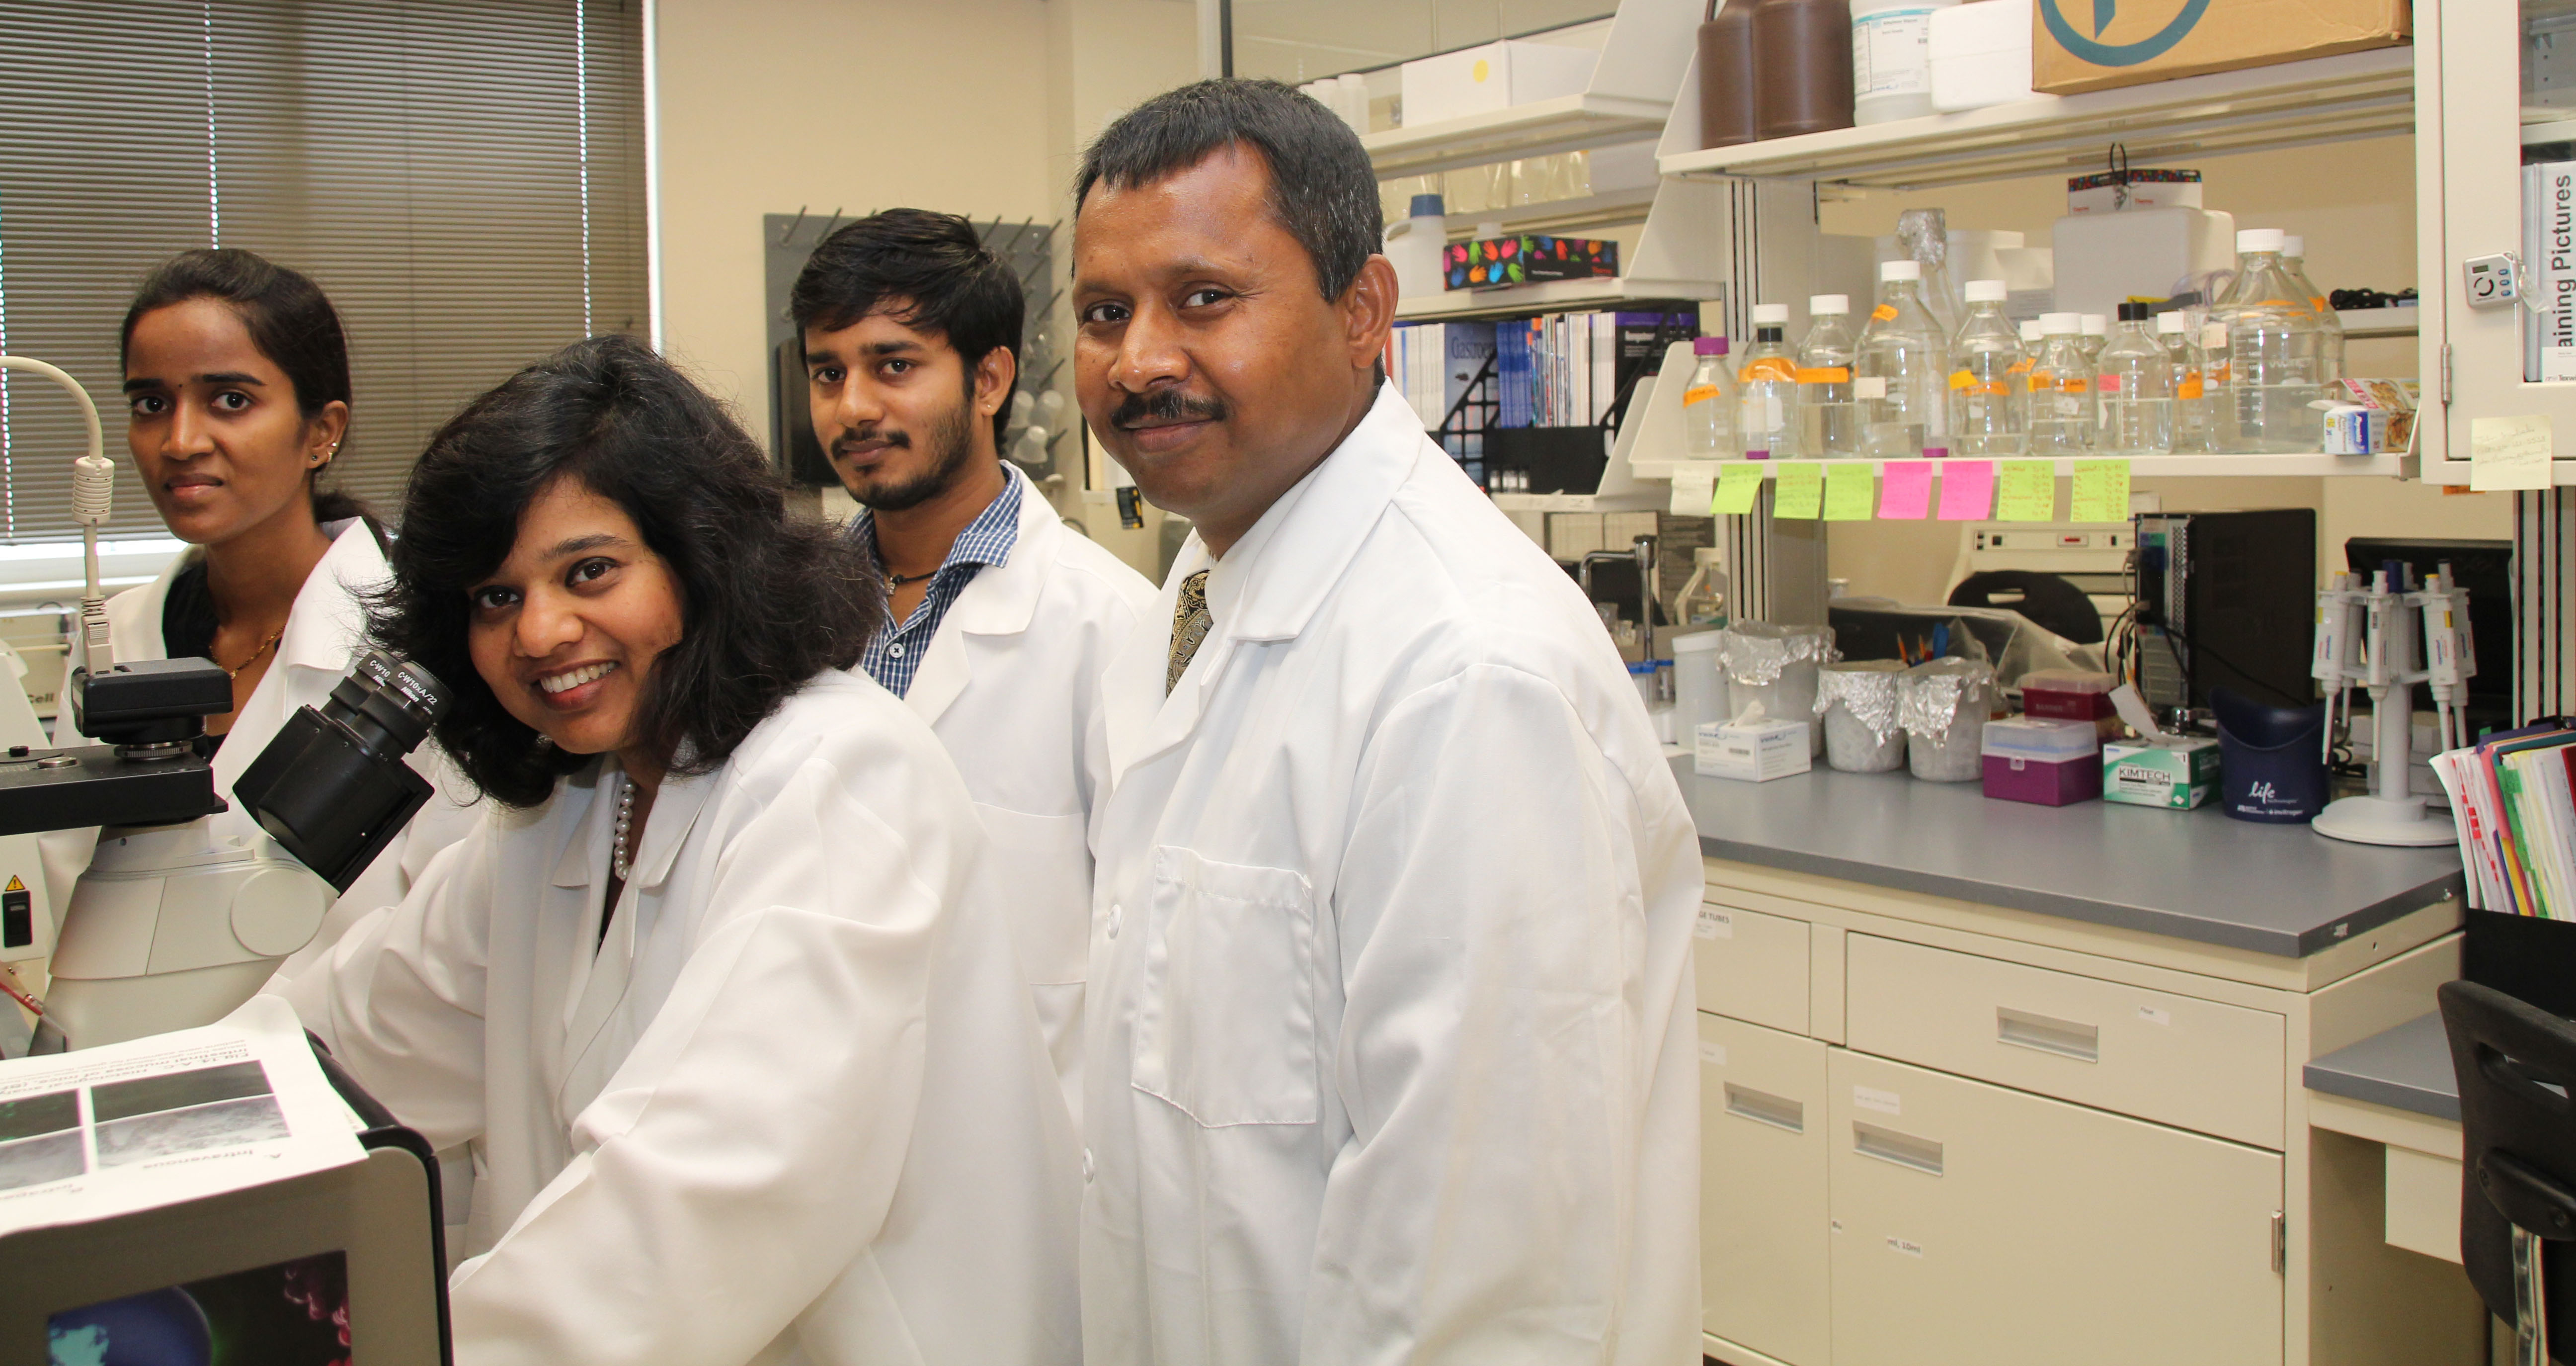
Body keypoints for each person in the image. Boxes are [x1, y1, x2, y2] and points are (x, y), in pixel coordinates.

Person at [282, 335, 1078, 1365]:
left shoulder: (837, 774)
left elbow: (708, 1191)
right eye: (497, 597)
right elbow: (352, 1039)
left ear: (701, 559)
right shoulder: (565, 806)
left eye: (591, 571)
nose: (540, 632)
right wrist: (133, 1130)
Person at [1068, 80, 1701, 1363]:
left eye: (1205, 299)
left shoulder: (1468, 674)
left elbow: (1484, 1275)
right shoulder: (1199, 590)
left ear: (1364, 313)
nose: (1138, 360)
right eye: (1102, 313)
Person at [791, 208, 1152, 1121]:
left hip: (1027, 1169)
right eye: (828, 372)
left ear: (990, 378)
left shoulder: (1111, 627)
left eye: (893, 365)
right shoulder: (784, 620)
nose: (854, 406)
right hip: (818, 1126)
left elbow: (1150, 955)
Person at [65, 249, 473, 976]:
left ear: (322, 432)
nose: (181, 442)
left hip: (356, 1059)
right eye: (151, 404)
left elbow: (455, 918)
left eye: (231, 400)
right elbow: (69, 884)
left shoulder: (426, 634)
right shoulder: (121, 636)